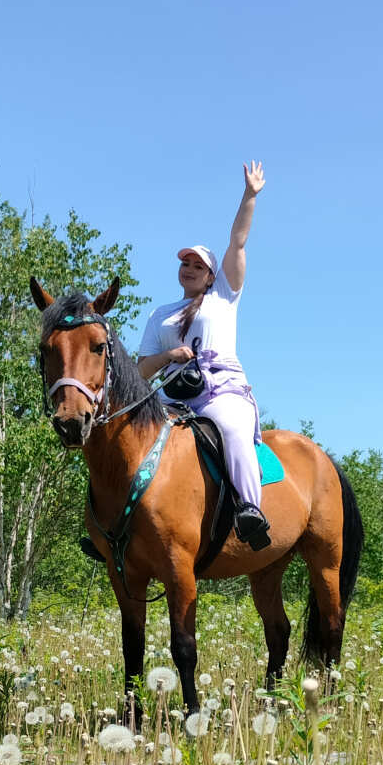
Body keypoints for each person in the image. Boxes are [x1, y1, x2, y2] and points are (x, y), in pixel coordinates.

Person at [139, 161, 271, 550]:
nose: (190, 269)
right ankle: (116, 526)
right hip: (170, 395)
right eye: (185, 263)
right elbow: (142, 369)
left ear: (213, 275)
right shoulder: (159, 315)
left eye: (198, 265)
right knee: (125, 438)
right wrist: (169, 357)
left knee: (231, 430)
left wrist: (249, 195)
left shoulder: (223, 297)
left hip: (220, 391)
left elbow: (238, 242)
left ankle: (249, 510)